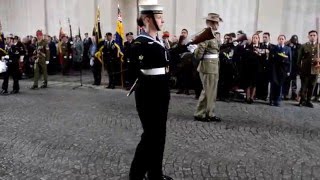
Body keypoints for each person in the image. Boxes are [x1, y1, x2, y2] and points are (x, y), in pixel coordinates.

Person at [129, 4, 173, 180]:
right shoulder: (140, 42)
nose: (162, 19)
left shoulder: (160, 41)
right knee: (150, 135)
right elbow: (134, 67)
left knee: (160, 134)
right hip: (149, 93)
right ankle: (136, 175)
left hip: (162, 91)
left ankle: (155, 174)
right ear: (148, 19)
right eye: (159, 15)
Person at [193, 13, 222, 122]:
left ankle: (210, 113)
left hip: (214, 65)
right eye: (215, 22)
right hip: (207, 66)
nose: (217, 24)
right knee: (207, 91)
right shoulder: (206, 34)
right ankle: (200, 113)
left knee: (212, 92)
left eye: (217, 22)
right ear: (210, 23)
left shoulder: (213, 34)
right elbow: (200, 51)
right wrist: (200, 59)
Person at [297, 30, 320, 108]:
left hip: (315, 70)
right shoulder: (304, 46)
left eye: (314, 35)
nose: (312, 37)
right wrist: (300, 69)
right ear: (308, 36)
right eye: (311, 35)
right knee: (304, 86)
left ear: (317, 37)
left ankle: (308, 101)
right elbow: (299, 59)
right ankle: (302, 100)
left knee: (312, 86)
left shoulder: (319, 46)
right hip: (305, 70)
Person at [269, 35, 292, 106]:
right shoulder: (274, 48)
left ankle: (277, 100)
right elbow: (270, 59)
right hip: (275, 69)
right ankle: (271, 100)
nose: (281, 40)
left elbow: (290, 60)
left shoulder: (288, 49)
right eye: (280, 39)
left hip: (283, 70)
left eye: (282, 39)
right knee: (273, 84)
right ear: (278, 40)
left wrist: (289, 71)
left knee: (280, 85)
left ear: (285, 40)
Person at [242, 34, 262, 104]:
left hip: (257, 68)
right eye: (253, 38)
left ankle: (252, 97)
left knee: (254, 84)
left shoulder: (261, 48)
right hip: (248, 68)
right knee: (248, 83)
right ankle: (247, 97)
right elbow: (245, 57)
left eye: (256, 38)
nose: (255, 39)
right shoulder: (248, 47)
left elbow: (263, 59)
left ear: (259, 39)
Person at [256, 32, 275, 101]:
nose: (264, 38)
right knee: (259, 81)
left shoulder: (272, 46)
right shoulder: (259, 45)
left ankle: (264, 96)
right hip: (260, 66)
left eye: (265, 37)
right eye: (263, 37)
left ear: (269, 38)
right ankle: (257, 95)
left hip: (268, 67)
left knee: (266, 82)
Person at [218, 33, 235, 101]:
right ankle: (219, 95)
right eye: (225, 38)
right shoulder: (221, 46)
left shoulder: (232, 46)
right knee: (220, 81)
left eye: (228, 38)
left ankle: (226, 96)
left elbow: (232, 54)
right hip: (221, 66)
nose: (226, 40)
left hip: (229, 67)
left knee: (227, 82)